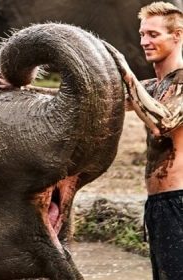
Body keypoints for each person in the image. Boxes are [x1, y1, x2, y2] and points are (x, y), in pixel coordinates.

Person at [106, 2, 183, 279]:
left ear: (177, 36)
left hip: (179, 202)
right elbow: (94, 102)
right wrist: (21, 89)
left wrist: (125, 71)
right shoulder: (152, 86)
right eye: (142, 34)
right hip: (158, 204)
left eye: (153, 34)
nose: (144, 41)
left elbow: (163, 122)